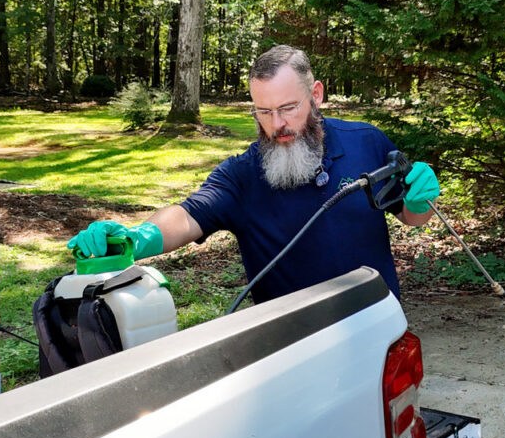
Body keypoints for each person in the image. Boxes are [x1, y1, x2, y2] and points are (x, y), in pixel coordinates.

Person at [67, 45, 439, 304]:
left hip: (378, 322)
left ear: (317, 95)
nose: (277, 124)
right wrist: (138, 237)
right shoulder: (242, 175)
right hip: (291, 344)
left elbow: (412, 216)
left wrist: (420, 199)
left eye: (289, 107)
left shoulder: (366, 143)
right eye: (263, 111)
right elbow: (186, 215)